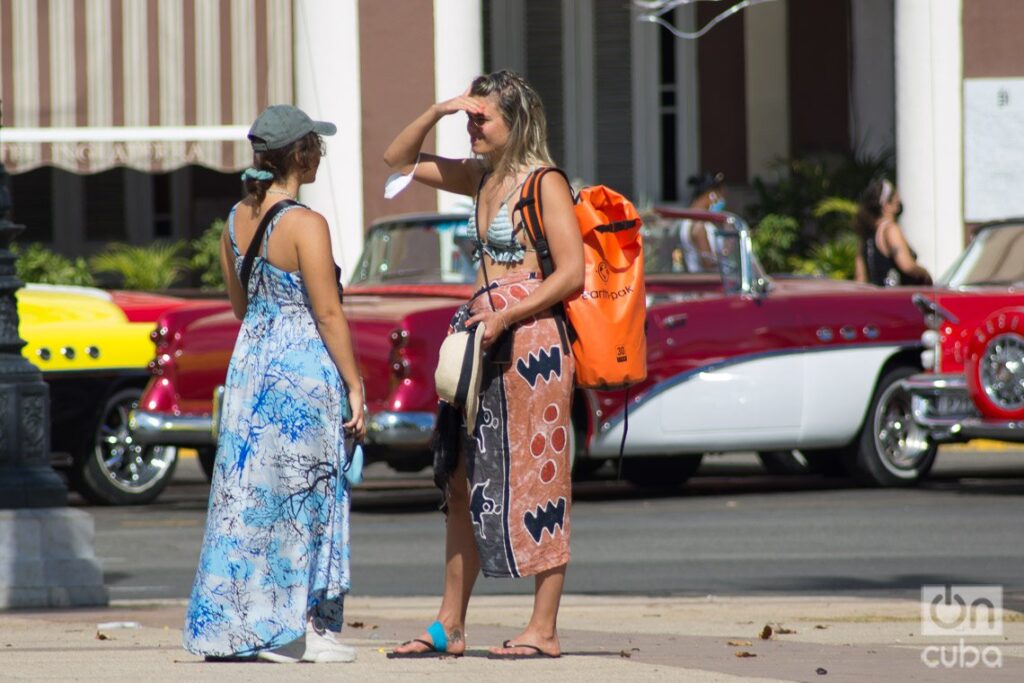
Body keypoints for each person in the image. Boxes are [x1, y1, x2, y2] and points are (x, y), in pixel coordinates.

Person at [383, 70, 584, 659]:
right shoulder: (479, 178)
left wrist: (508, 314)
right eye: (469, 118)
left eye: (481, 118)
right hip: (482, 340)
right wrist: (440, 108)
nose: (471, 127)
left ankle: (543, 628)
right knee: (461, 478)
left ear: (515, 123)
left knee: (541, 479)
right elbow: (396, 160)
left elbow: (571, 272)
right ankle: (450, 624)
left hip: (534, 346)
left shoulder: (543, 182)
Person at [183, 104, 366, 664]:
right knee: (305, 497)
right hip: (302, 370)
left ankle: (245, 624)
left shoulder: (234, 223)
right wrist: (356, 387)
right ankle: (302, 629)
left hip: (251, 370)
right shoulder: (306, 225)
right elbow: (329, 315)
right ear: (303, 155)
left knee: (249, 501)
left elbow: (240, 306)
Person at [854, 178, 932, 286]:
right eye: (895, 198)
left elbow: (860, 277)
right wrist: (926, 274)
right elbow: (907, 265)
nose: (899, 199)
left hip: (877, 298)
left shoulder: (866, 234)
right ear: (886, 205)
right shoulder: (890, 229)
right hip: (898, 298)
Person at [676, 171, 726, 272]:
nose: (721, 201)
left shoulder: (688, 220)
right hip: (711, 284)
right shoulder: (698, 225)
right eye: (720, 196)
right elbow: (708, 263)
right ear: (711, 195)